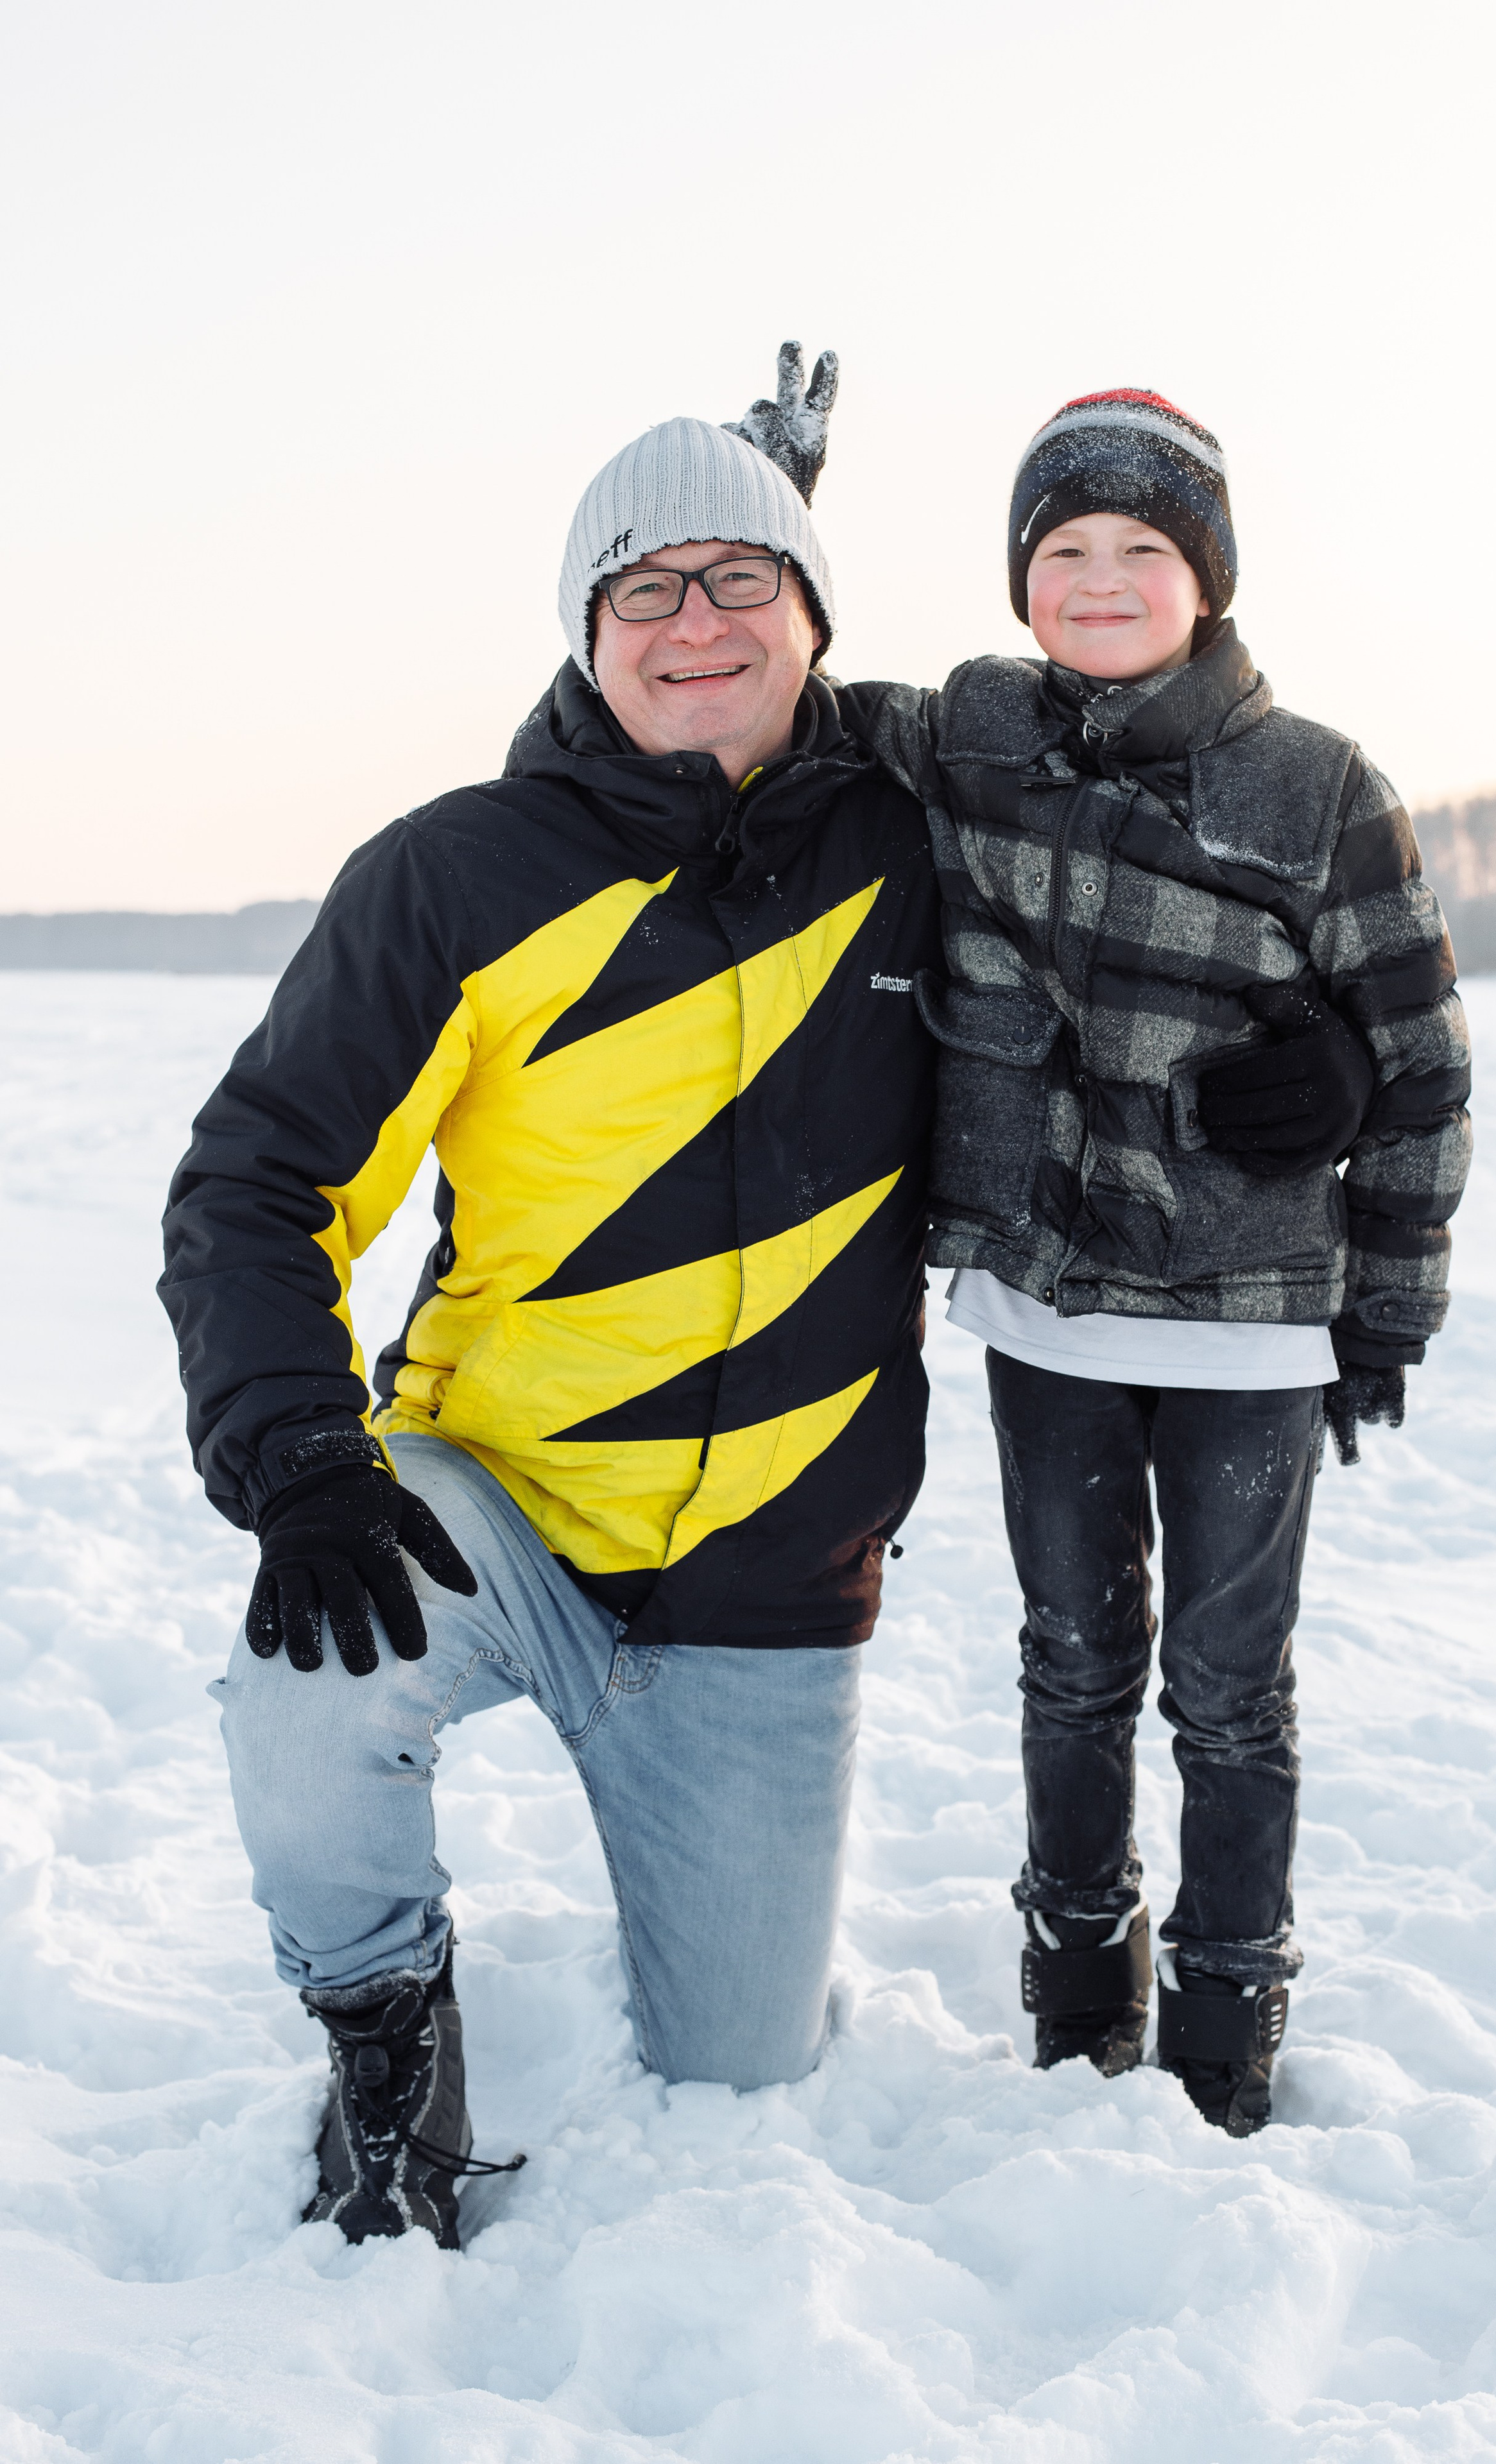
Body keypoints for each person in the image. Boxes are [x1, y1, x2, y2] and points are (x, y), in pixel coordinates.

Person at [159, 407, 940, 2246]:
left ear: (815, 610)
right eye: (642, 590)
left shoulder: (922, 851)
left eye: (739, 579)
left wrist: (1287, 1046)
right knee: (307, 1678)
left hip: (770, 1574)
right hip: (493, 1502)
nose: (693, 624)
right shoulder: (459, 874)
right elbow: (257, 1178)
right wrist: (302, 1458)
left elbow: (1128, 866)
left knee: (741, 2073)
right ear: (582, 637)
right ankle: (382, 2032)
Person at [826, 384, 1472, 2135]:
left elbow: (1419, 1062)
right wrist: (767, 514)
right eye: (1062, 550)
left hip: (1252, 1326)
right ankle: (1075, 1988)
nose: (1099, 579)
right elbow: (767, 707)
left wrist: (1387, 1299)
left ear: (1211, 578)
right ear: (1019, 580)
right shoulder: (971, 734)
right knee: (1069, 1658)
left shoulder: (1318, 784)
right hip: (1046, 1303)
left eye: (1142, 550)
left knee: (1229, 1693)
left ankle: (1228, 2007)